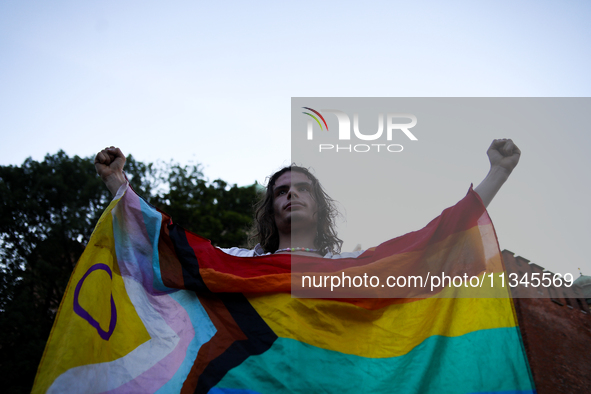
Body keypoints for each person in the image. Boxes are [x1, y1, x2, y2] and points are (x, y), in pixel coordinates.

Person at [94, 138, 521, 258]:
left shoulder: (354, 267)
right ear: (270, 209)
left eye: (302, 189)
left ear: (319, 206)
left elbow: (433, 243)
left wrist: (496, 175)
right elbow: (166, 248)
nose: (291, 196)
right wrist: (119, 184)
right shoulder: (238, 265)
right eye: (281, 191)